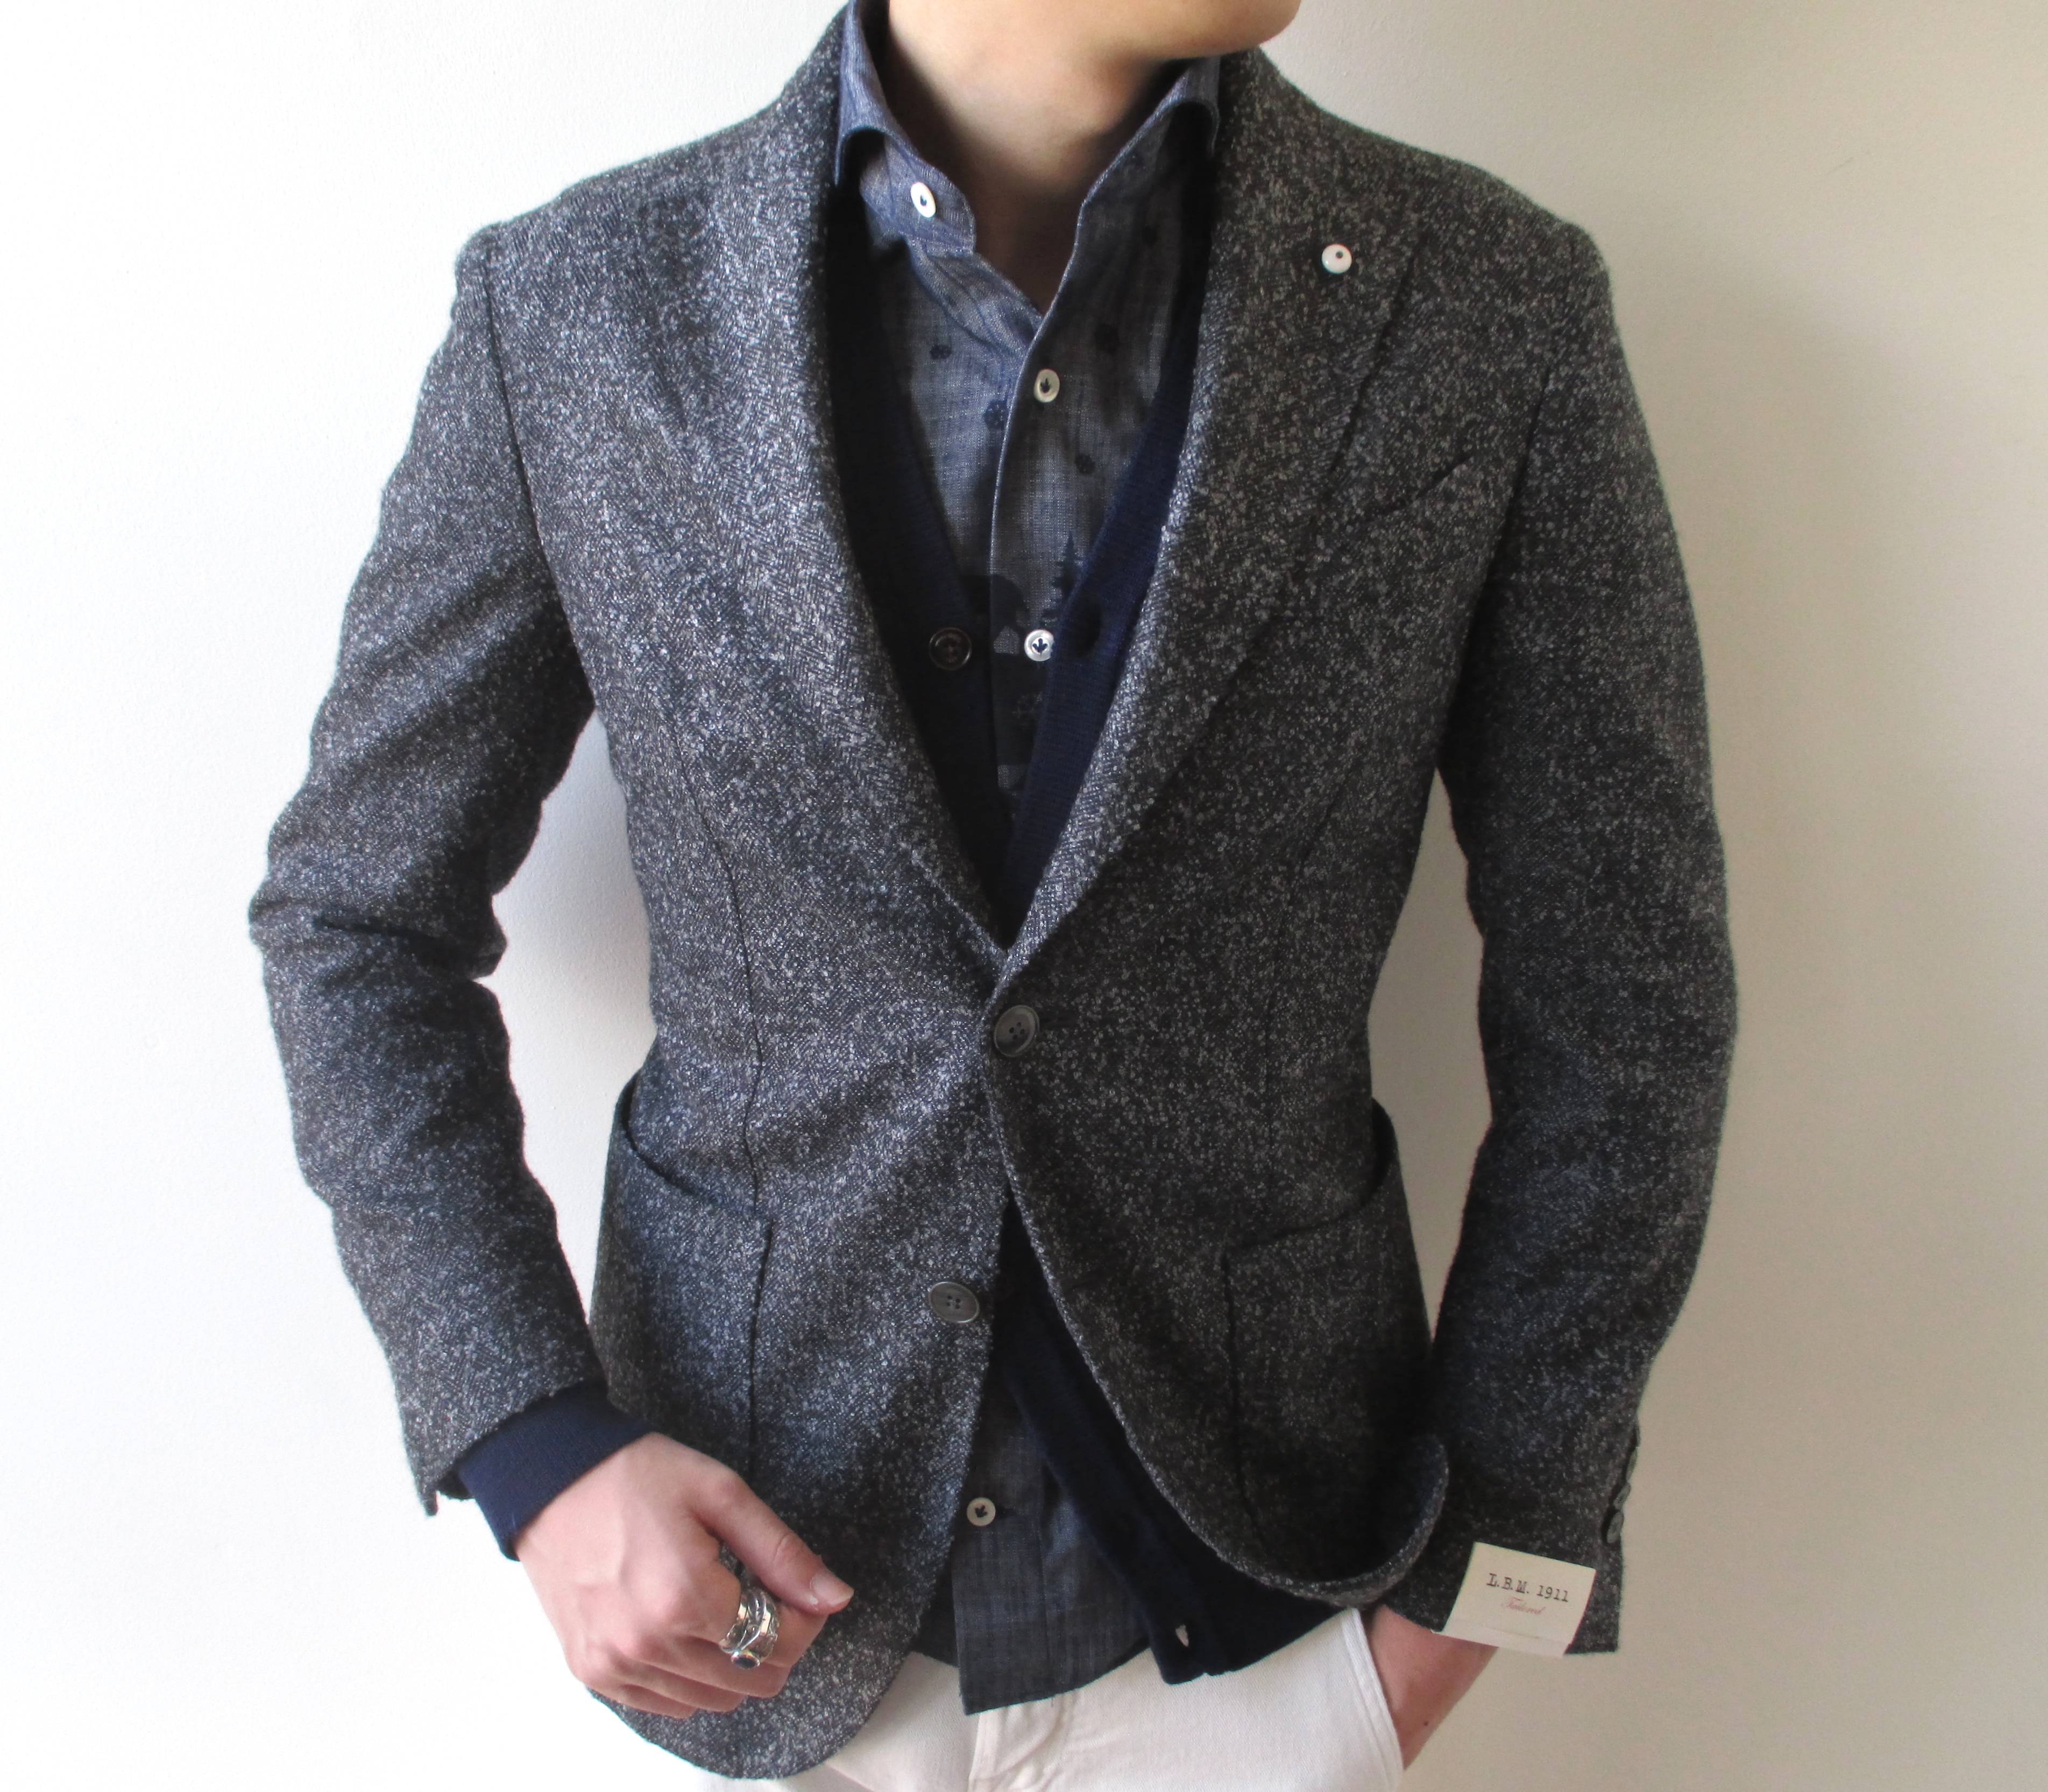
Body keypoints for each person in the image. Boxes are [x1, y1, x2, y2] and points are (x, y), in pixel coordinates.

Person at [250, 0, 1735, 1784]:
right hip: (752, 1621)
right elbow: (357, 918)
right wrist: (533, 1445)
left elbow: (1626, 991)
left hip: (1282, 1623)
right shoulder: (580, 306)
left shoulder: (1483, 303)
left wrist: (1466, 1603)